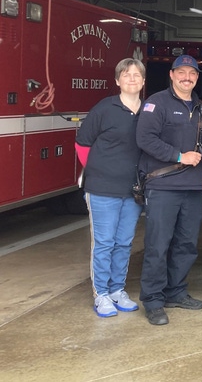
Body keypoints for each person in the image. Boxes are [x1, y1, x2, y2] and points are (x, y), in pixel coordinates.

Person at [137, 54, 202, 326]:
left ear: (197, 77)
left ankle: (176, 292)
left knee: (187, 245)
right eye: (181, 72)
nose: (187, 77)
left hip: (193, 187)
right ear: (171, 74)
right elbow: (144, 139)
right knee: (158, 245)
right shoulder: (156, 103)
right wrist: (179, 156)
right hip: (164, 185)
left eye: (192, 73)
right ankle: (153, 300)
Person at [75, 58, 145, 317]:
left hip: (133, 191)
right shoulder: (104, 108)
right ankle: (101, 294)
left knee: (124, 242)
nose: (132, 78)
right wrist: (96, 171)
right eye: (126, 75)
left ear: (143, 81)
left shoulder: (147, 111)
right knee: (103, 243)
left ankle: (117, 290)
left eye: (137, 75)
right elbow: (82, 144)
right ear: (117, 80)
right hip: (102, 189)